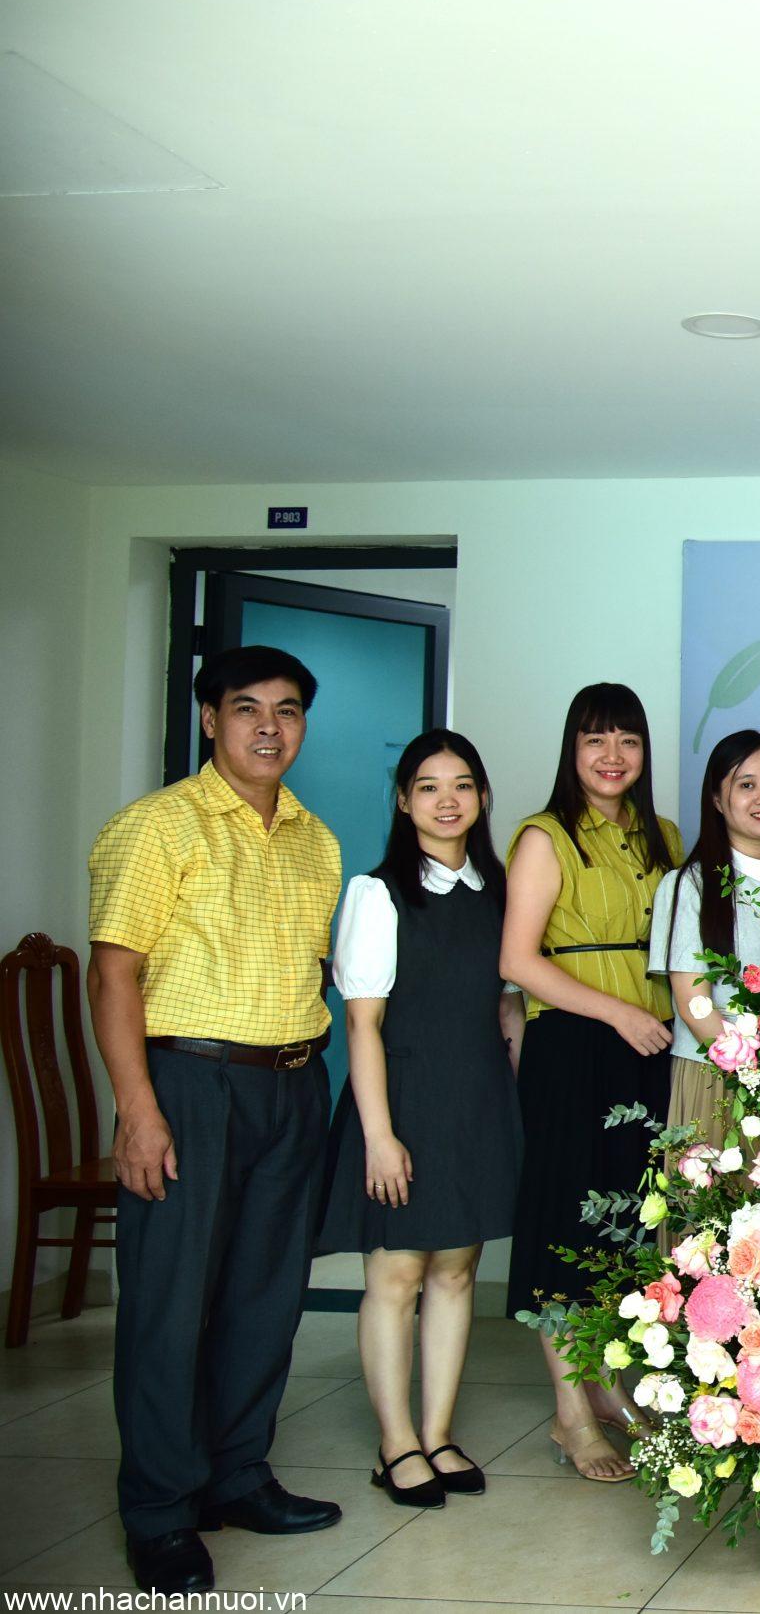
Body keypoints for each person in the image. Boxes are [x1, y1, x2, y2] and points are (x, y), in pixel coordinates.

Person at [86, 646, 344, 1592]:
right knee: (170, 1300)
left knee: (264, 1296)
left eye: (288, 709)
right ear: (209, 719)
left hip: (293, 1083)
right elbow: (112, 973)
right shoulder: (157, 826)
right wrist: (137, 1109)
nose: (269, 727)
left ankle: (236, 1475)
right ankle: (159, 1509)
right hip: (189, 1084)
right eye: (246, 708)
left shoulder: (318, 840)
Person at [313, 730, 523, 1508]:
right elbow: (361, 1023)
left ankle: (437, 1432)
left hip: (475, 1102)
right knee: (397, 1276)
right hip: (401, 1101)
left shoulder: (498, 889)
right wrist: (378, 1135)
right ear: (403, 800)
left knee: (456, 1271)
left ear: (482, 797)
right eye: (427, 786)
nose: (446, 800)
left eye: (462, 784)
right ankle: (395, 1441)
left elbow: (508, 1006)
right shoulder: (378, 893)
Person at [501, 683, 679, 1483]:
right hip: (575, 1045)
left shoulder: (663, 835)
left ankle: (607, 1383)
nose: (613, 756)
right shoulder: (545, 836)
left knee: (627, 1227)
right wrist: (616, 1012)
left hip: (650, 1046)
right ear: (572, 749)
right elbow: (517, 959)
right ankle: (570, 1410)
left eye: (627, 740)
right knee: (567, 1226)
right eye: (595, 739)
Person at [652, 730, 760, 1146]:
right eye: (746, 785)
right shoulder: (688, 886)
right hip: (719, 1079)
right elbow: (694, 1004)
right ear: (717, 799)